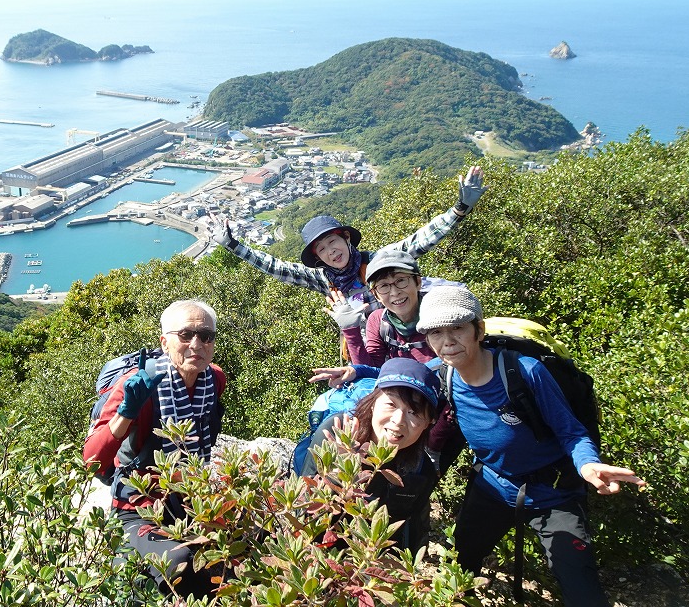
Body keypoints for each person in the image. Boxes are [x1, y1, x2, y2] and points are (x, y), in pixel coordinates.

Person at [416, 285, 645, 607]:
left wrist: (588, 464)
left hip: (554, 493)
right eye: (436, 332)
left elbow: (571, 432)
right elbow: (396, 382)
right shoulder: (442, 375)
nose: (447, 341)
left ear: (479, 330)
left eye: (457, 328)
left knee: (583, 591)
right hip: (492, 486)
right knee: (460, 565)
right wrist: (356, 373)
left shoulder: (525, 371)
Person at [206, 166, 486, 324]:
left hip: (405, 335)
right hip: (364, 351)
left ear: (346, 238)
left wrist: (459, 209)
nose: (331, 251)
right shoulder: (323, 279)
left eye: (333, 241)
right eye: (322, 249)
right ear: (318, 258)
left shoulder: (377, 261)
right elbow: (275, 267)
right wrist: (232, 245)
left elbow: (421, 240)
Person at [83, 300, 226, 601]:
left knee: (236, 547)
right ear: (164, 342)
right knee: (179, 561)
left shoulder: (214, 379)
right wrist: (127, 412)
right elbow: (92, 461)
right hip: (139, 509)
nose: (196, 344)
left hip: (191, 500)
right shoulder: (138, 385)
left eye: (206, 336)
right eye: (185, 335)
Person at [312, 250, 463, 470]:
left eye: (401, 281)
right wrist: (351, 334)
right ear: (375, 293)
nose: (394, 292)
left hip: (434, 417)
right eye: (384, 286)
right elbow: (375, 370)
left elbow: (455, 386)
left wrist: (432, 447)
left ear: (417, 281)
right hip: (399, 410)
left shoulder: (440, 321)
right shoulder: (379, 320)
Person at [307, 357, 442, 553]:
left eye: (414, 412)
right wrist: (336, 474)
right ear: (372, 403)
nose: (398, 421)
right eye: (391, 404)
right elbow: (303, 512)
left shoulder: (421, 470)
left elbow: (410, 533)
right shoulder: (337, 433)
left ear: (429, 423)